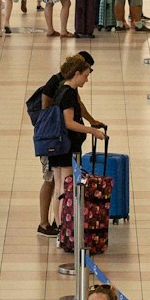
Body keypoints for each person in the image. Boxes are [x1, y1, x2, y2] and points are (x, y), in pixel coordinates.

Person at [34, 54, 105, 237]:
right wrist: (93, 131)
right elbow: (69, 122)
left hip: (58, 146)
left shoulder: (62, 89)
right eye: (85, 76)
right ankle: (63, 226)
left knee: (59, 185)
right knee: (66, 187)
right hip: (67, 145)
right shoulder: (69, 93)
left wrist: (91, 122)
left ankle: (60, 226)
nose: (87, 80)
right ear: (77, 73)